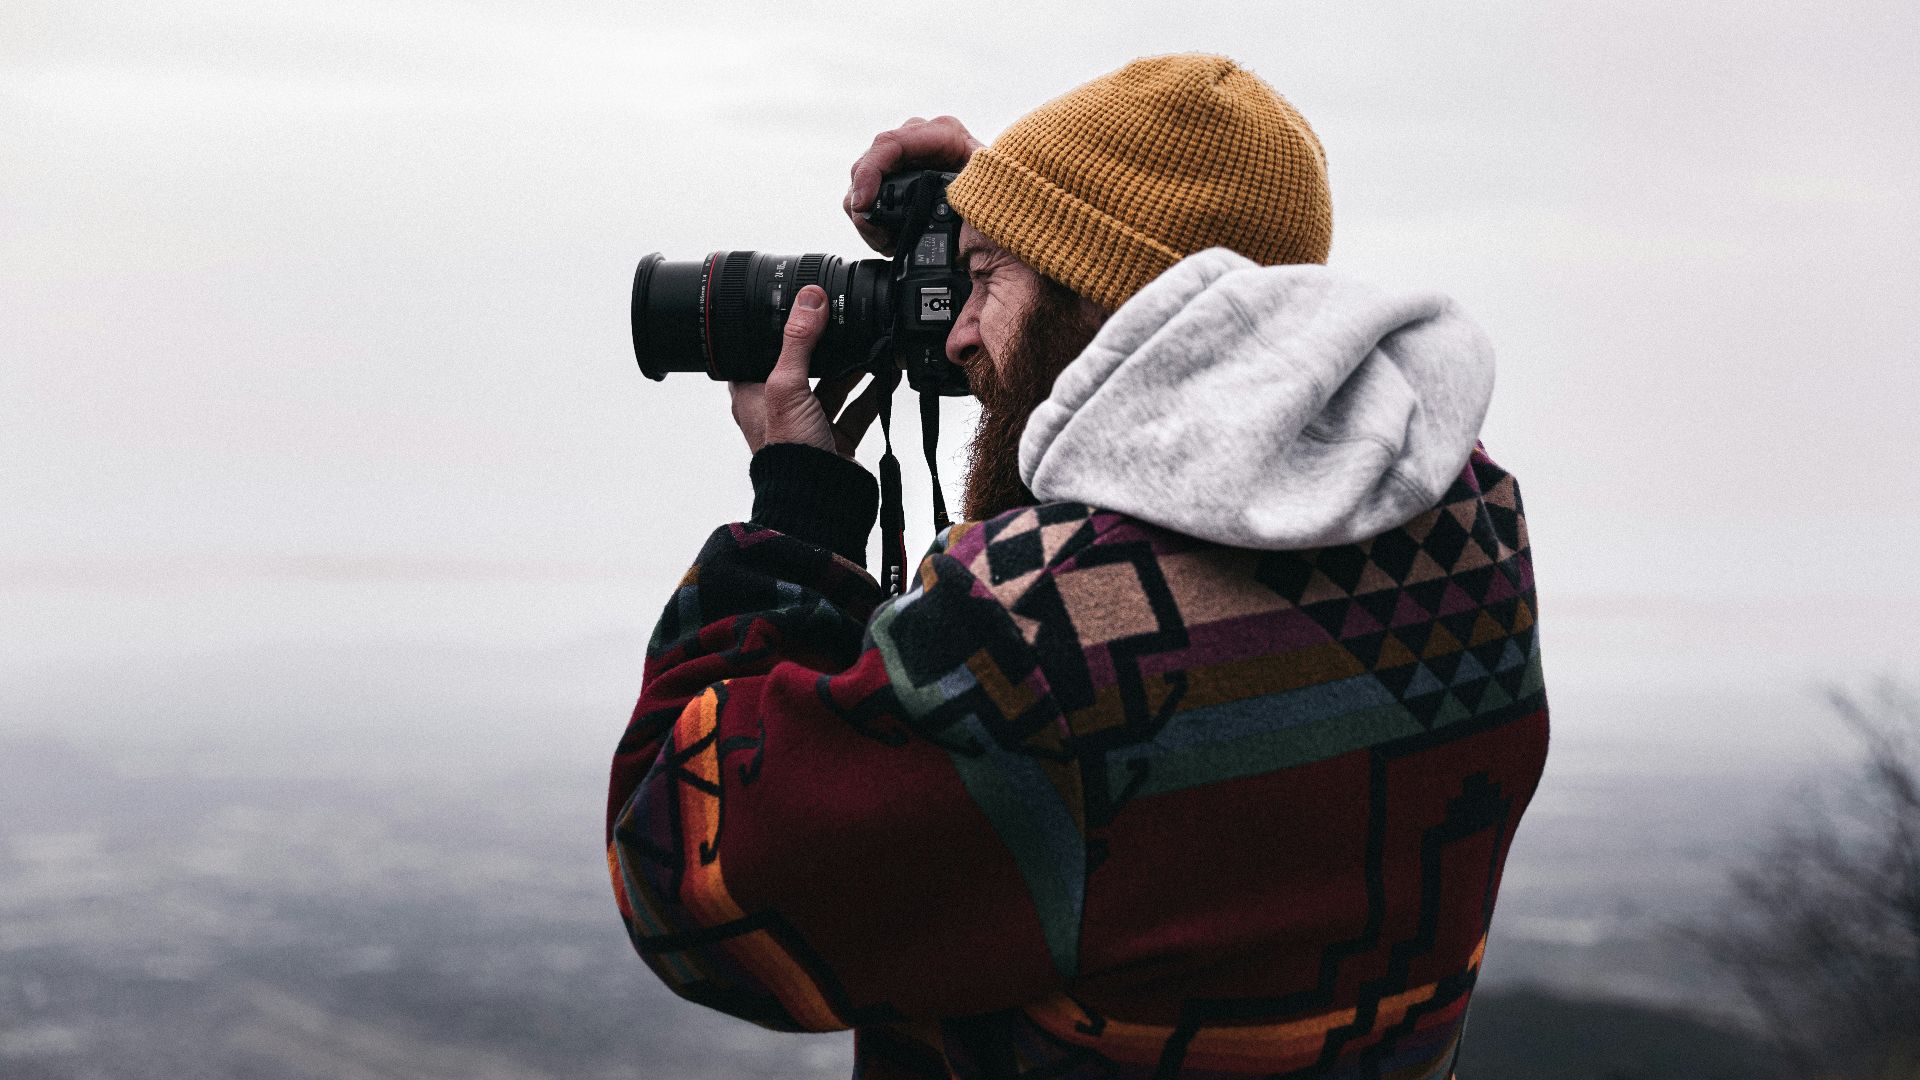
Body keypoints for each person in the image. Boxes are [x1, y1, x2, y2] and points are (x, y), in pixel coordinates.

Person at [606, 54, 1549, 1079]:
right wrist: (1006, 225)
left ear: (1096, 299)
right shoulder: (1468, 523)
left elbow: (686, 882)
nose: (958, 334)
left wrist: (800, 509)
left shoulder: (1038, 643)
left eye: (982, 283)